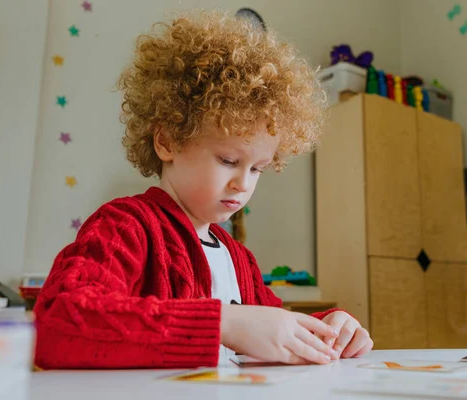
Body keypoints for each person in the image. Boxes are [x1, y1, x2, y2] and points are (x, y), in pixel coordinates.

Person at [33, 9, 373, 369]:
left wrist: (328, 330)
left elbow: (270, 327)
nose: (243, 183)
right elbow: (56, 323)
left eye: (257, 169)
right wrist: (223, 322)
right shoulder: (125, 226)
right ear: (167, 141)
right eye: (228, 160)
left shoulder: (239, 258)